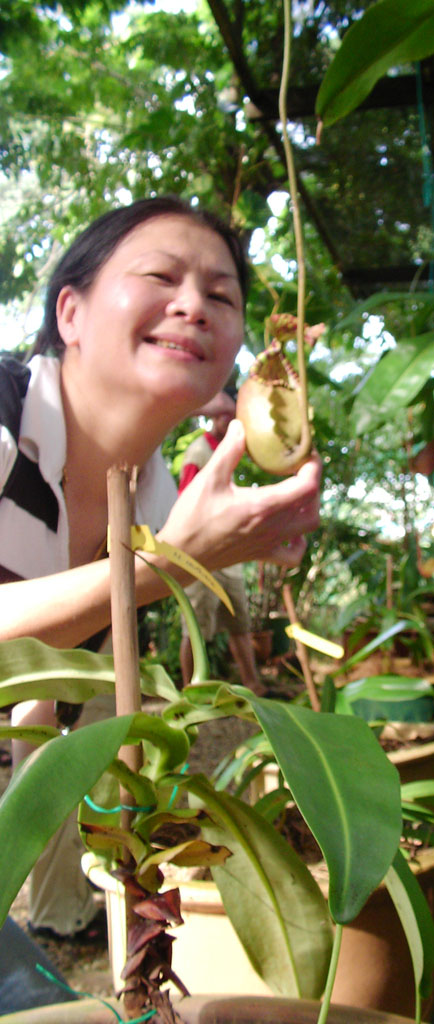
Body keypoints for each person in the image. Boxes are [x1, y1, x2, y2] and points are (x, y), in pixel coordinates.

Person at [0, 195, 321, 941]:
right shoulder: (7, 415)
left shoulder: (161, 492)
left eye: (220, 296)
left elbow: (61, 671)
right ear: (71, 313)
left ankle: (64, 909)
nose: (193, 307)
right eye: (161, 277)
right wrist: (167, 565)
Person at [177, 388, 265, 693]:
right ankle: (191, 691)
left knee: (239, 621)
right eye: (221, 412)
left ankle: (253, 685)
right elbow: (185, 500)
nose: (225, 418)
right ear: (213, 414)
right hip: (200, 552)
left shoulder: (233, 448)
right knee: (195, 625)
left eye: (231, 412)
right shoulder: (199, 451)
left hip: (229, 551)